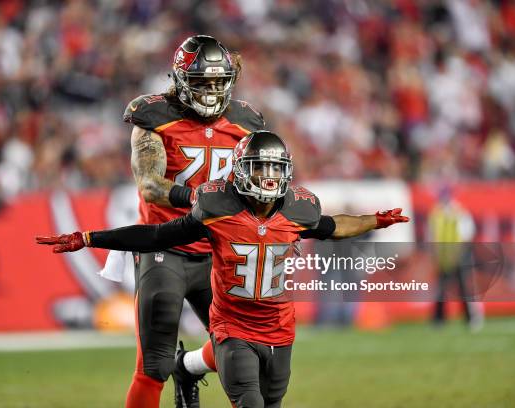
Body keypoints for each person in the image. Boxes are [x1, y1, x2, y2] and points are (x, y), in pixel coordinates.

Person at [37, 131, 409, 407]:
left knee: (271, 402)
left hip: (280, 328)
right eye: (259, 168)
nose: (267, 178)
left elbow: (334, 226)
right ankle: (188, 366)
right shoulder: (217, 206)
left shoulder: (299, 208)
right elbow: (157, 236)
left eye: (274, 169)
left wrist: (374, 220)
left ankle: (186, 367)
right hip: (232, 328)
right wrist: (90, 237)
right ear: (242, 171)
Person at [110, 35, 265, 407]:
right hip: (166, 248)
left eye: (217, 82)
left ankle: (191, 366)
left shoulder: (245, 122)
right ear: (180, 79)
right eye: (201, 82)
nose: (210, 91)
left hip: (218, 251)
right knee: (153, 365)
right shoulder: (154, 116)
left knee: (247, 350)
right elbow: (149, 186)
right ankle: (175, 367)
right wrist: (197, 197)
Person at [428, 185, 483, 331]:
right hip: (444, 256)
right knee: (441, 289)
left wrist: (459, 252)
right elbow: (432, 235)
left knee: (463, 287)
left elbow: (467, 233)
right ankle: (439, 319)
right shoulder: (437, 212)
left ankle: (471, 318)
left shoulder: (458, 212)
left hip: (459, 254)